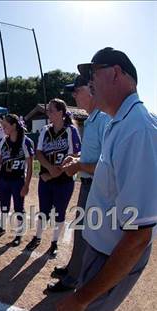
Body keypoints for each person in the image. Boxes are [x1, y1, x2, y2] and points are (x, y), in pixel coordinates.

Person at [57, 47, 157, 311]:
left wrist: (80, 299)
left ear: (116, 73)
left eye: (94, 73)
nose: (89, 83)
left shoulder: (137, 130)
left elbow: (138, 237)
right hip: (101, 248)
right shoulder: (118, 122)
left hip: (111, 257)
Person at [47, 75, 110, 293]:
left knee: (87, 234)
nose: (74, 95)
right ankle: (74, 268)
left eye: (77, 90)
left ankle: (75, 278)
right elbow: (91, 152)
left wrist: (80, 165)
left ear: (92, 90)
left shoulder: (103, 119)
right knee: (80, 231)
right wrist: (77, 159)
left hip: (98, 186)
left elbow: (108, 163)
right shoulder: (92, 118)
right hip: (88, 184)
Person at [26, 98, 81, 258]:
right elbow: (39, 153)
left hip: (64, 179)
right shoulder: (45, 130)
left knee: (60, 212)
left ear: (61, 113)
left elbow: (75, 154)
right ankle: (37, 237)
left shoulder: (71, 130)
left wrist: (60, 170)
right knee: (43, 210)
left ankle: (54, 242)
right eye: (48, 110)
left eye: (51, 110)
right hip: (46, 178)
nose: (48, 112)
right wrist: (50, 169)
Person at [0, 114, 34, 245]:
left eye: (5, 125)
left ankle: (19, 234)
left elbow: (30, 166)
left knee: (18, 207)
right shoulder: (3, 141)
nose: (2, 128)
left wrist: (26, 185)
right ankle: (2, 227)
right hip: (4, 179)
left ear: (14, 125)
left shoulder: (25, 142)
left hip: (18, 180)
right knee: (4, 205)